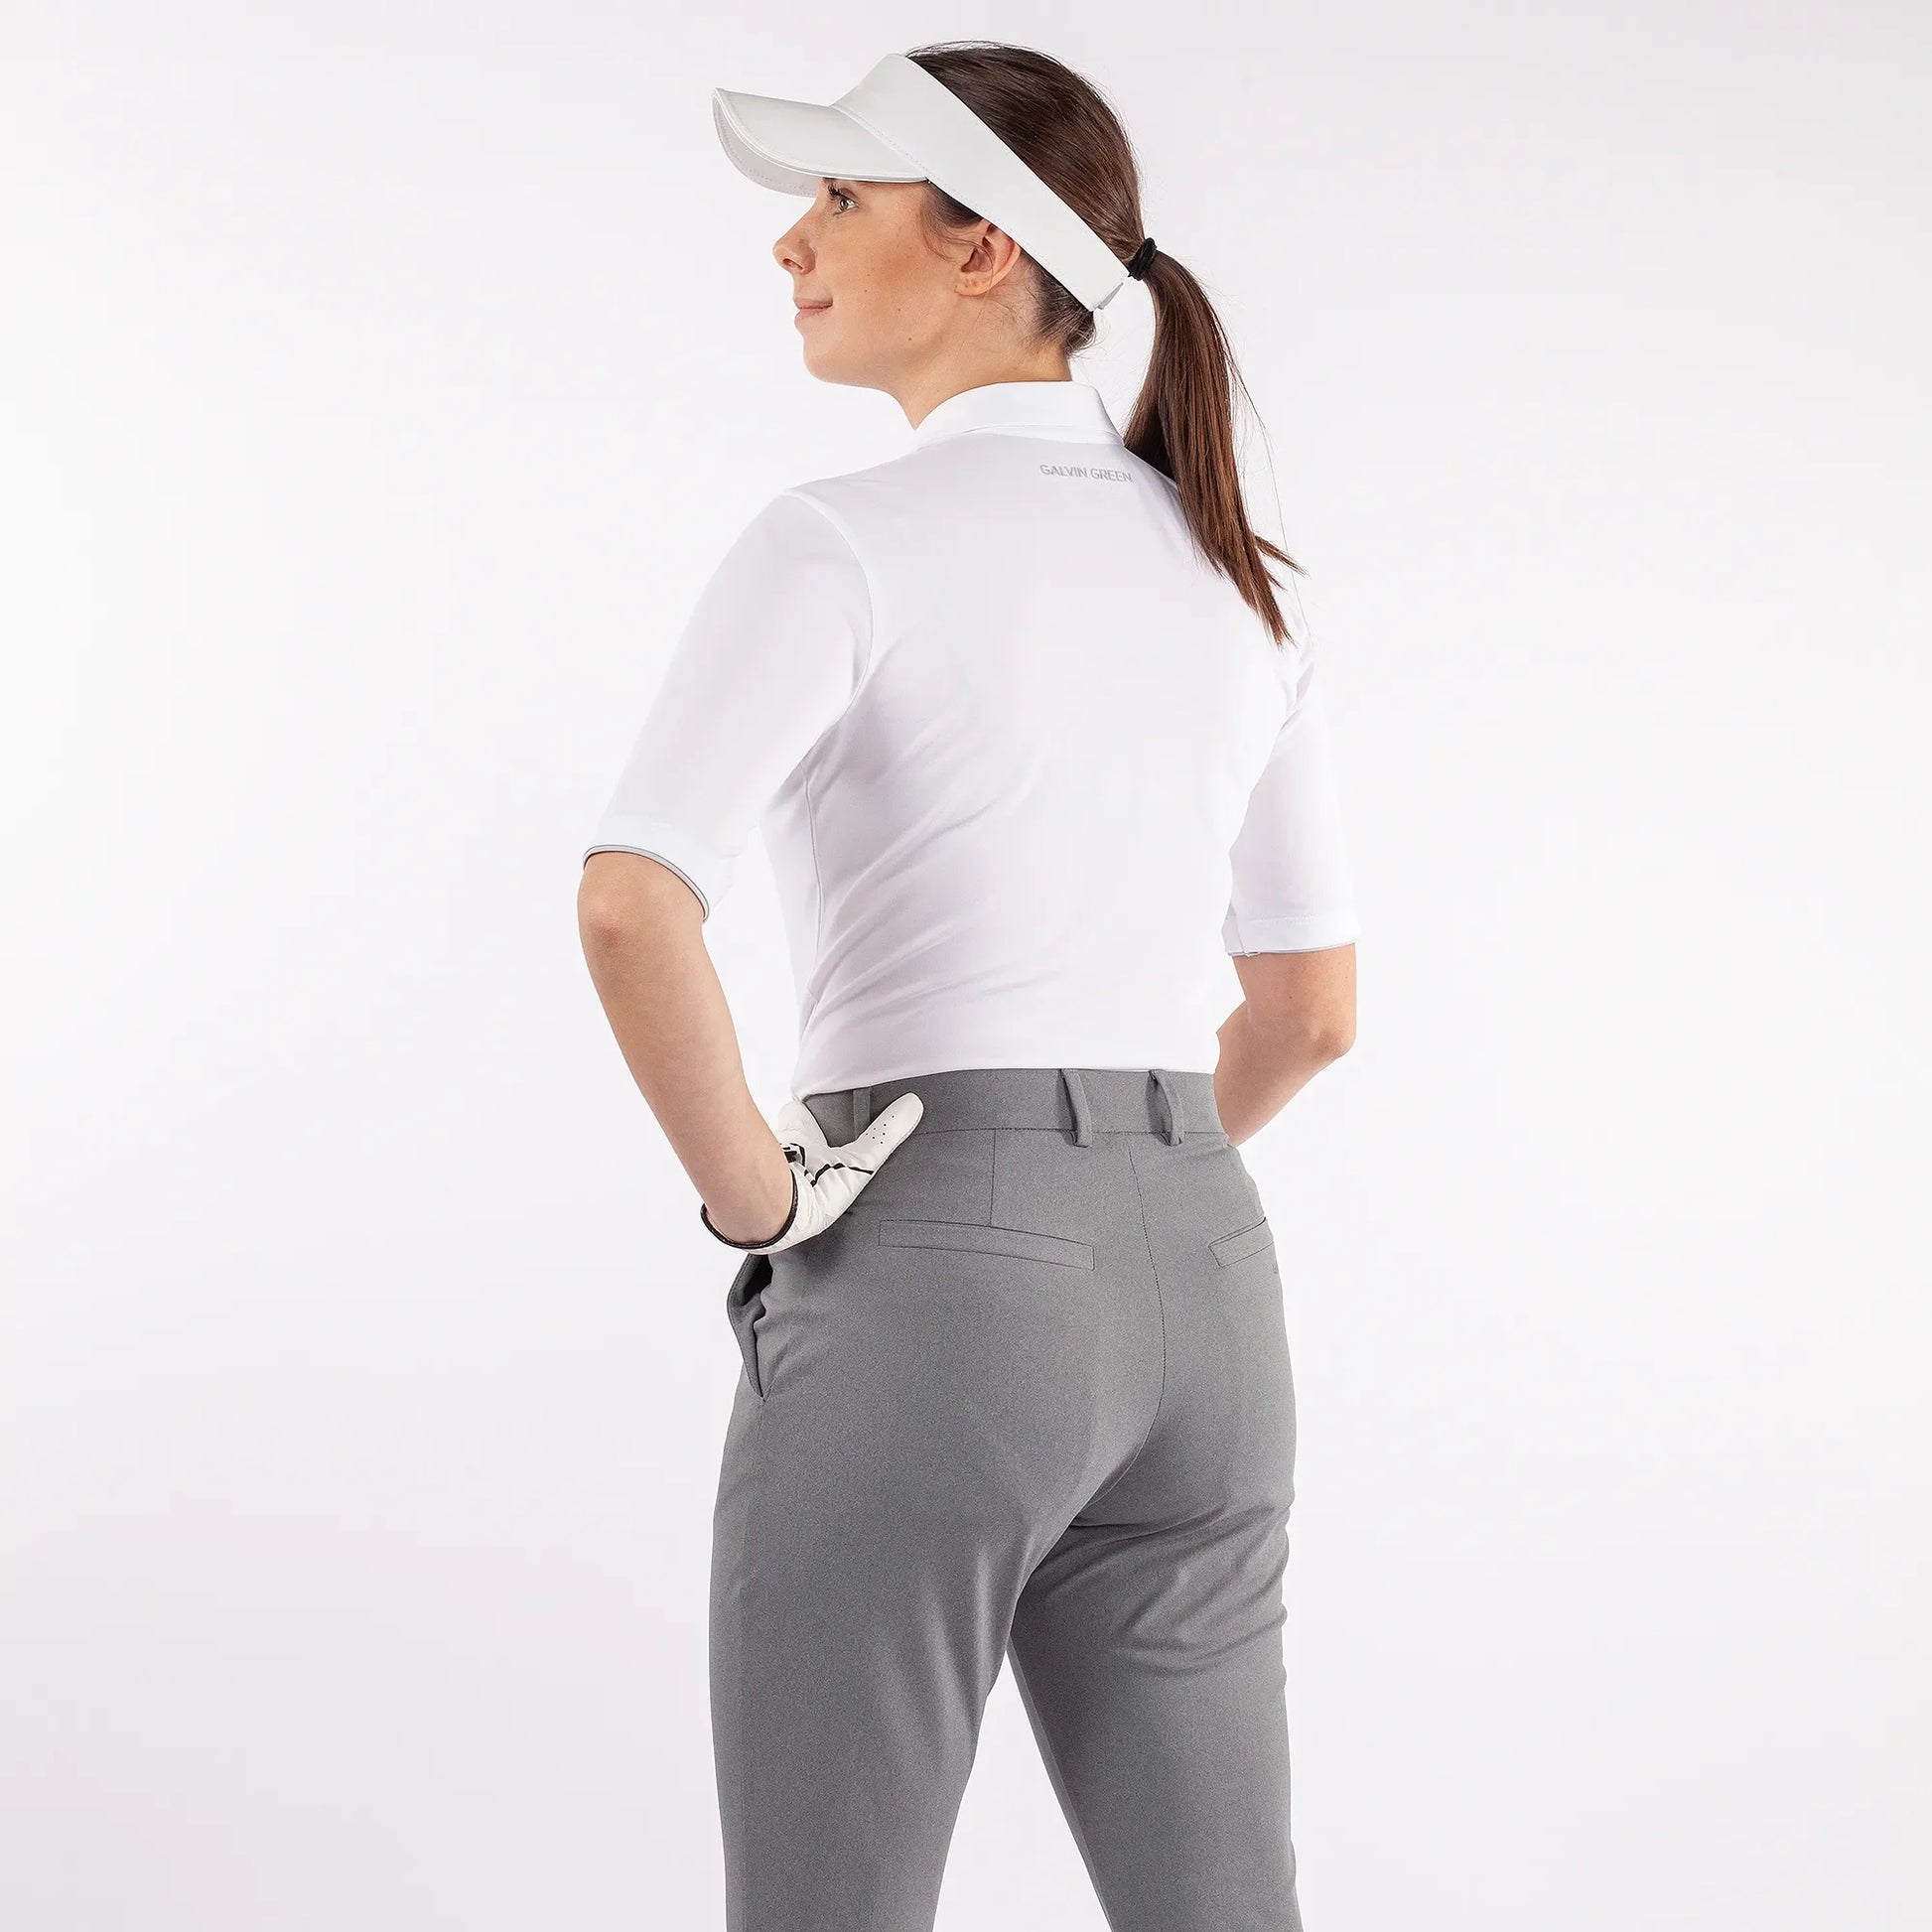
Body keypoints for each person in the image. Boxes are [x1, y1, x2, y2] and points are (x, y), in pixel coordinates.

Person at [577, 41, 1359, 1932]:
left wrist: (762, 1205)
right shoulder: (1237, 577)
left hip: (930, 1265)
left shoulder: (842, 540)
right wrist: (1129, 1192)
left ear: (984, 247)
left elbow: (628, 904)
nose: (790, 244)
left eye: (839, 200)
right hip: (1209, 1279)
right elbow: (1309, 1014)